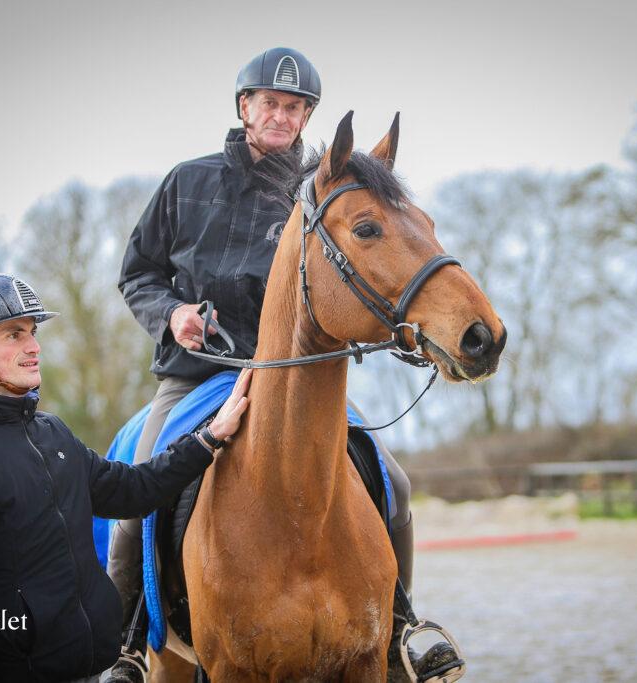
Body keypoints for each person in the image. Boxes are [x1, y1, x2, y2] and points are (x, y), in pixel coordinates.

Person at [111, 47, 463, 681]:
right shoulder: (186, 183)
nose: (281, 115)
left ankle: (400, 629)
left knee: (395, 484)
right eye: (270, 102)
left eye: (295, 107)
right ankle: (127, 644)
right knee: (142, 479)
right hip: (200, 373)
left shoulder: (323, 193)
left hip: (299, 377)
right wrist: (171, 313)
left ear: (307, 118)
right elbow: (138, 272)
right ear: (245, 107)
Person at [0, 273, 253, 683]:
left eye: (33, 333)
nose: (34, 347)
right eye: (14, 335)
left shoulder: (51, 432)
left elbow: (134, 491)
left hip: (87, 671)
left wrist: (208, 438)